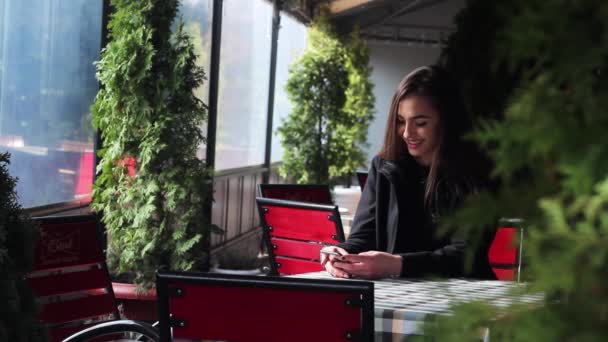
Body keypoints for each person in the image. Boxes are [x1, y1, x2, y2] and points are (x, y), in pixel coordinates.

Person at [321, 65, 494, 280]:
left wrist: (396, 265)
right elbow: (363, 236)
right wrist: (340, 254)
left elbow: (466, 255)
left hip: (466, 296)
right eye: (401, 121)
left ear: (447, 121)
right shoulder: (383, 166)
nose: (407, 133)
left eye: (420, 123)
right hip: (398, 292)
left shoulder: (476, 170)